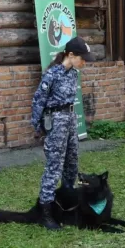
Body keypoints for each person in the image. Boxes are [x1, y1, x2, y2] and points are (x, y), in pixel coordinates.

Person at [31, 37, 96, 230]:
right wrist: (38, 125)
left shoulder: (74, 74)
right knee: (54, 166)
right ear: (71, 55)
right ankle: (46, 212)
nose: (84, 62)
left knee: (72, 162)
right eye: (82, 58)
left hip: (69, 119)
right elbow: (38, 100)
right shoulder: (52, 75)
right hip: (56, 121)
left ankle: (67, 201)